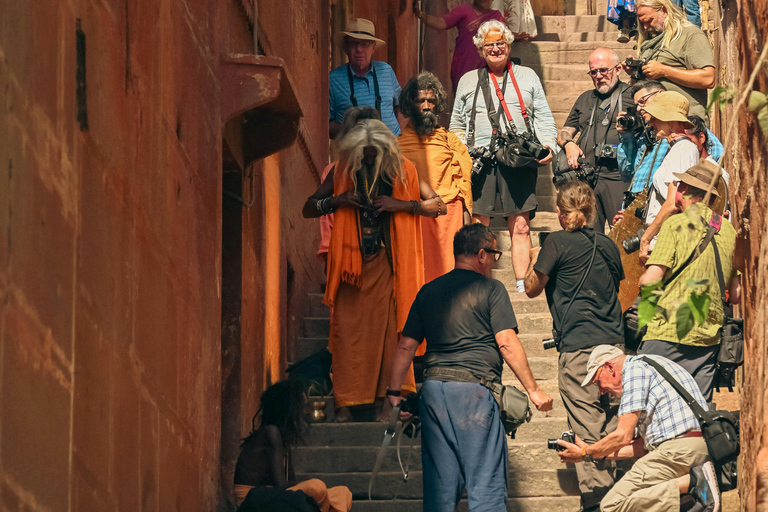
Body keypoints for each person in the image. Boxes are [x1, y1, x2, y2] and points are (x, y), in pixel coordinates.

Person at [388, 224, 554, 512]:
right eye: (494, 254)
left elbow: (405, 346)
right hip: (474, 394)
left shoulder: (428, 291)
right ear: (481, 254)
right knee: (485, 487)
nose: (494, 261)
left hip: (434, 393)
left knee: (440, 493)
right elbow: (506, 342)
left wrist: (393, 393)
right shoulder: (491, 289)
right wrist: (534, 390)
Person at [302, 119, 445, 422]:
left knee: (392, 335)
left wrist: (403, 205)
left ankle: (389, 404)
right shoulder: (343, 171)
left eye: (372, 155)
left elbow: (438, 205)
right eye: (363, 155)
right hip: (350, 269)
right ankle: (345, 406)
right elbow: (308, 207)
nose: (367, 160)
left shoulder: (404, 170)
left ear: (383, 152)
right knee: (347, 335)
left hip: (388, 266)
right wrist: (336, 200)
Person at [523, 181, 626, 512]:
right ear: (592, 211)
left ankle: (599, 500)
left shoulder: (555, 243)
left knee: (587, 424)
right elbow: (618, 288)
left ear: (559, 213)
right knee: (612, 421)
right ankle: (617, 495)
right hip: (614, 345)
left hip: (580, 349)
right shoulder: (608, 245)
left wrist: (534, 259)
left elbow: (530, 289)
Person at [450, 20, 557, 294]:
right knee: (478, 223)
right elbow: (456, 125)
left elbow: (543, 116)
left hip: (517, 159)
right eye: (490, 45)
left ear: (509, 45)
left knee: (520, 225)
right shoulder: (468, 80)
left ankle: (522, 283)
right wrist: (463, 152)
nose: (496, 49)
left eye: (500, 43)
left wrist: (548, 145)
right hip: (480, 160)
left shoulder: (527, 76)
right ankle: (476, 279)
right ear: (480, 50)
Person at [557, 345, 722, 512]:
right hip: (695, 446)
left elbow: (622, 436)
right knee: (645, 498)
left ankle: (695, 484)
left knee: (612, 505)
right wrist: (590, 454)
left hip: (677, 451)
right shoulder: (653, 365)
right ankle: (691, 495)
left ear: (609, 367)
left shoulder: (634, 370)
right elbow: (639, 447)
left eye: (598, 381)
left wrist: (587, 452)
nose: (601, 391)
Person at [637, 159, 740, 402]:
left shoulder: (674, 224)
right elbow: (735, 294)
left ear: (684, 190)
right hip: (708, 338)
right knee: (695, 412)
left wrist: (644, 271)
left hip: (668, 332)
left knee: (651, 407)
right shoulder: (728, 231)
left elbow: (651, 280)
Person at [398, 72, 473, 285]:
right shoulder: (396, 145)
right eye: (420, 101)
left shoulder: (451, 142)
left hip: (449, 221)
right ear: (409, 104)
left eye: (431, 101)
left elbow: (464, 189)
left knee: (450, 285)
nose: (426, 106)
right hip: (412, 220)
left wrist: (466, 232)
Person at [233, 381, 352, 512]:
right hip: (253, 499)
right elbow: (281, 484)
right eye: (303, 406)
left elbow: (290, 482)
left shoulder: (283, 437)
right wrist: (310, 484)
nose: (306, 411)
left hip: (275, 494)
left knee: (342, 493)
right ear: (288, 408)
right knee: (317, 487)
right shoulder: (271, 432)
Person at [558, 47, 634, 231]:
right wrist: (569, 144)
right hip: (587, 179)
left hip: (619, 177)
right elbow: (564, 132)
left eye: (603, 70)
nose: (598, 76)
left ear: (617, 69)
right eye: (593, 72)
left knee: (622, 234)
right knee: (587, 235)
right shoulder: (585, 98)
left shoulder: (631, 94)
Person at [629, 91, 700, 263]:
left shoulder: (682, 150)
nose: (651, 122)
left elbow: (673, 203)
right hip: (664, 238)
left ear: (670, 120)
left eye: (656, 117)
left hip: (667, 241)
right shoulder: (677, 149)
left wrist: (646, 239)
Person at [317, 107, 382, 268]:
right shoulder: (335, 172)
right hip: (346, 260)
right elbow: (326, 221)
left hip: (383, 260)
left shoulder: (392, 170)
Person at [631, 0, 714, 120]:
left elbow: (708, 79)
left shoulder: (690, 35)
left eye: (649, 21)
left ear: (664, 11)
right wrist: (635, 72)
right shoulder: (648, 43)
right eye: (642, 23)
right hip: (656, 125)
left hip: (686, 124)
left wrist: (664, 71)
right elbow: (638, 89)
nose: (645, 27)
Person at [329, 18, 402, 137]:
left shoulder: (386, 70)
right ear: (346, 48)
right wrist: (352, 128)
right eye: (353, 44)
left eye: (364, 44)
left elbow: (403, 105)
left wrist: (398, 134)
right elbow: (326, 125)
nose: (359, 49)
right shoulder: (333, 80)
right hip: (355, 151)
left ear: (373, 47)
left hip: (391, 149)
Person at [412, 0, 505, 92]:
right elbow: (441, 23)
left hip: (487, 70)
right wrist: (420, 14)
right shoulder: (464, 11)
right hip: (463, 67)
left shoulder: (496, 17)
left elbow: (505, 40)